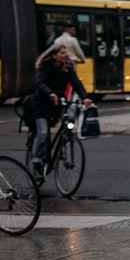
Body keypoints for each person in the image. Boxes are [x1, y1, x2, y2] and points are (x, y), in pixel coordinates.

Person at [31, 44, 93, 180]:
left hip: (59, 103)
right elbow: (40, 83)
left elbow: (76, 83)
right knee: (43, 133)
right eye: (62, 53)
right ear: (54, 55)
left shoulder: (68, 67)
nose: (65, 55)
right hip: (42, 104)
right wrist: (50, 93)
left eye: (65, 53)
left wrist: (85, 97)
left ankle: (64, 142)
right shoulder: (44, 67)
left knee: (70, 118)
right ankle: (36, 162)